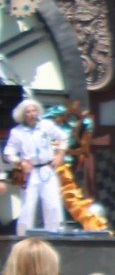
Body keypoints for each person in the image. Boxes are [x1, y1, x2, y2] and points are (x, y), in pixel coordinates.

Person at [4, 100, 68, 235]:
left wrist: (60, 155)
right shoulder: (17, 132)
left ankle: (56, 234)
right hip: (29, 171)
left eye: (34, 111)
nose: (32, 114)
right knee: (27, 205)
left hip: (47, 168)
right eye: (28, 112)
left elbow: (63, 137)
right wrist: (20, 162)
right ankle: (22, 236)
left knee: (53, 205)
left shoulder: (46, 125)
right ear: (23, 115)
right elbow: (8, 152)